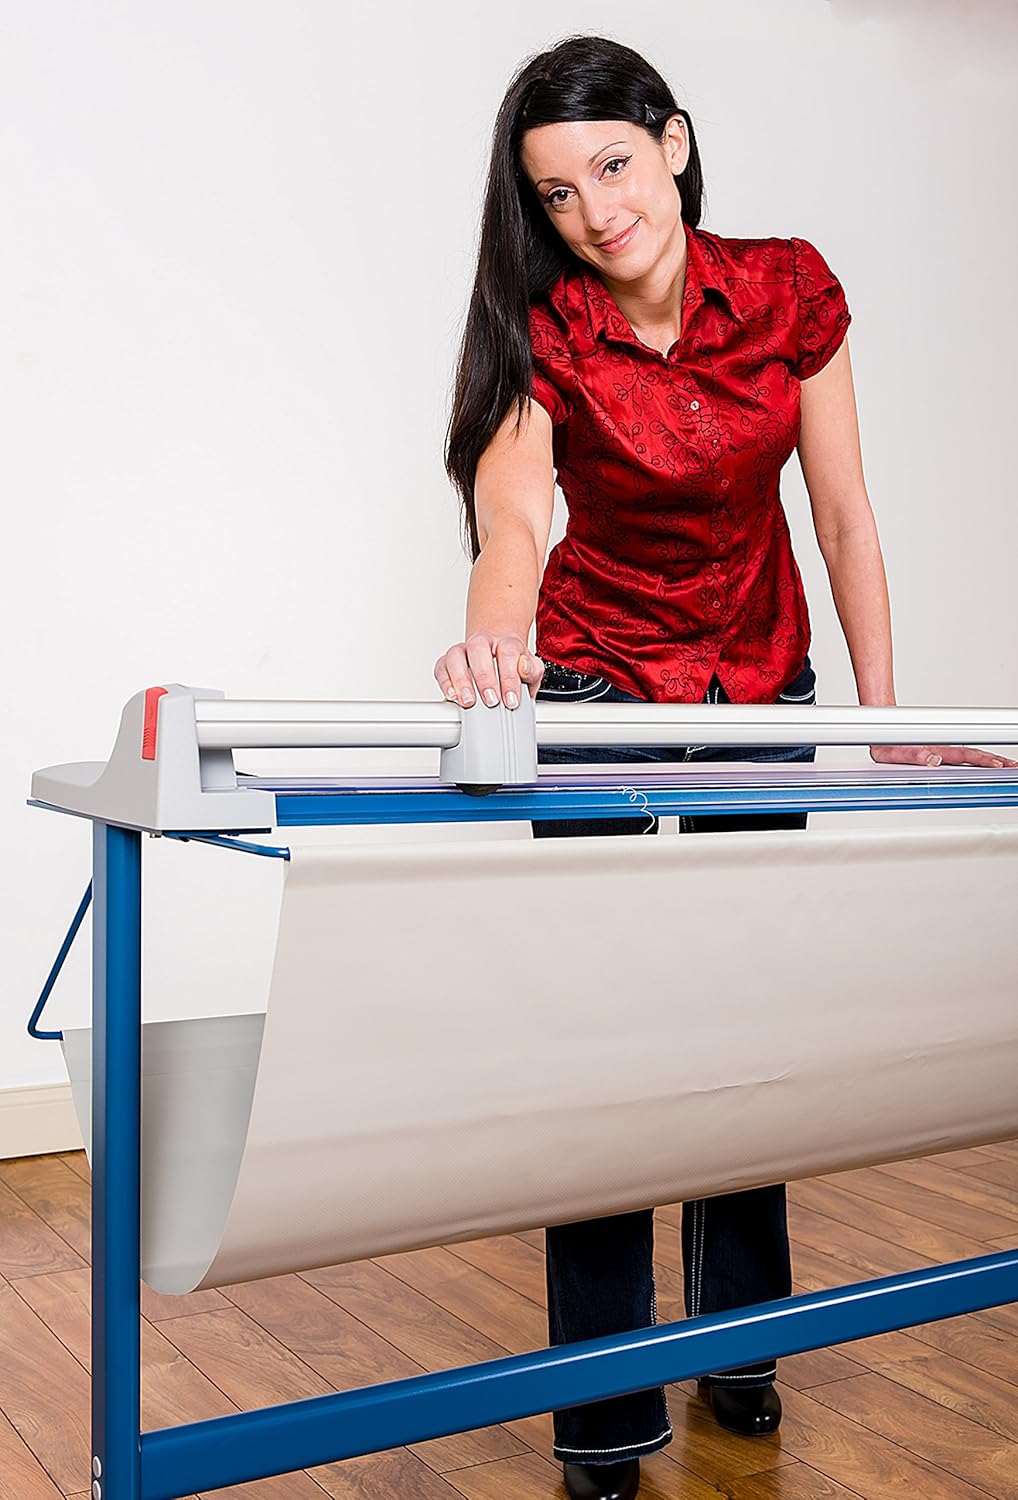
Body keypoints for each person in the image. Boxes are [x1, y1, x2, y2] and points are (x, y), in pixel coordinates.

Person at [436, 34, 1016, 1500]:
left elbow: (845, 513)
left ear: (674, 142)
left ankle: (744, 1348)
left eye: (614, 167)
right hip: (596, 695)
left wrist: (884, 720)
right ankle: (601, 1418)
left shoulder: (787, 291)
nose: (596, 214)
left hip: (758, 682)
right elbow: (515, 516)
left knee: (745, 1026)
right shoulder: (550, 333)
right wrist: (493, 640)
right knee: (608, 1050)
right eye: (558, 195)